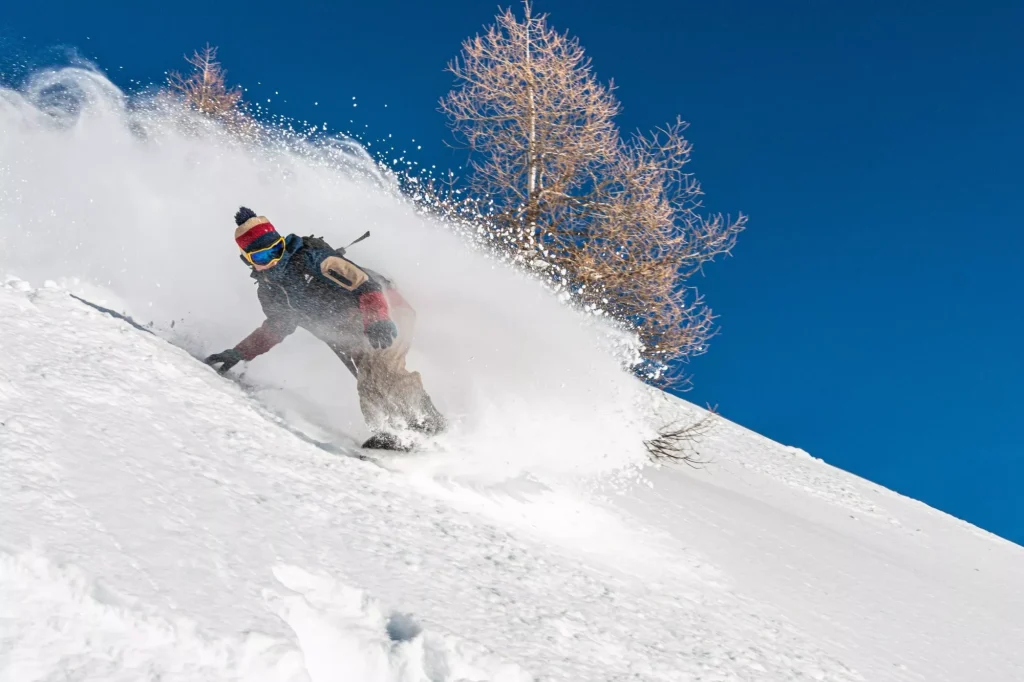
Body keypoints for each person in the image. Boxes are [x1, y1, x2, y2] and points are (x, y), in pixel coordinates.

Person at [205, 207, 446, 450]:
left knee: (383, 370)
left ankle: (428, 425)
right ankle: (391, 435)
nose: (273, 260)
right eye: (261, 257)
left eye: (276, 250)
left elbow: (365, 284)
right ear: (247, 260)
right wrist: (239, 353)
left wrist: (377, 319)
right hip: (351, 336)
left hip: (386, 313)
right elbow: (277, 327)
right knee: (369, 382)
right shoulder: (271, 292)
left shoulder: (310, 259)